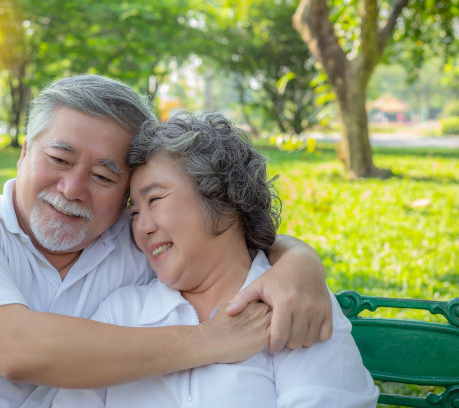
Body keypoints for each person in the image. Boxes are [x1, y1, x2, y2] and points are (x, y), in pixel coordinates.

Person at [0, 75, 332, 408]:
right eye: (60, 159)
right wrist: (209, 340)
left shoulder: (134, 242)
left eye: (104, 175)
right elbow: (14, 349)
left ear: (127, 193)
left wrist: (298, 261)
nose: (72, 189)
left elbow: (214, 236)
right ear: (23, 152)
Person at [53, 112, 379, 408]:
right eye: (135, 212)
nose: (142, 226)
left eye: (155, 199)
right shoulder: (121, 312)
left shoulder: (294, 304)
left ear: (222, 199)